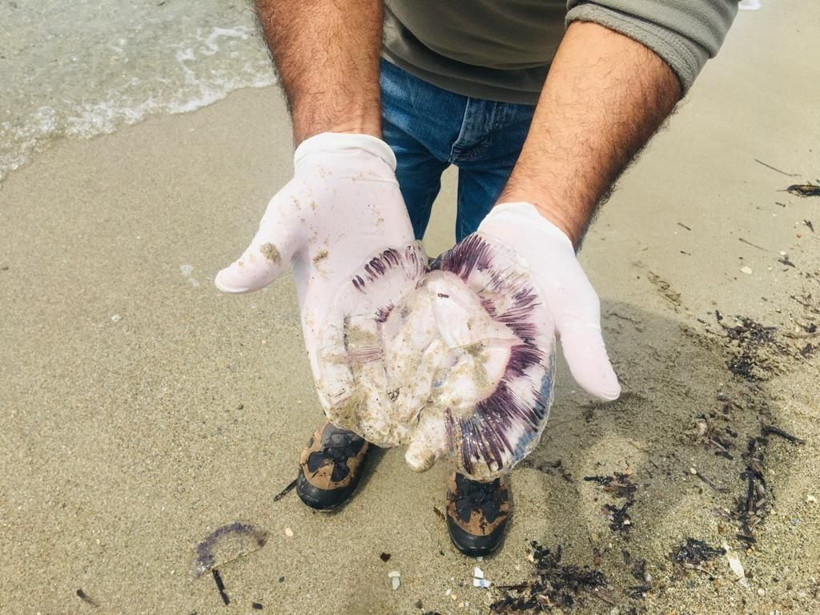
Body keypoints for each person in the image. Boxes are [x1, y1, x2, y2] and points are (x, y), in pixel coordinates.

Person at [215, 0, 738, 556]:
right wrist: (336, 143)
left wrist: (544, 215)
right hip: (385, 69)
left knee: (510, 288)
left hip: (559, 98)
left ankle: (481, 450)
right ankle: (361, 413)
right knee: (364, 279)